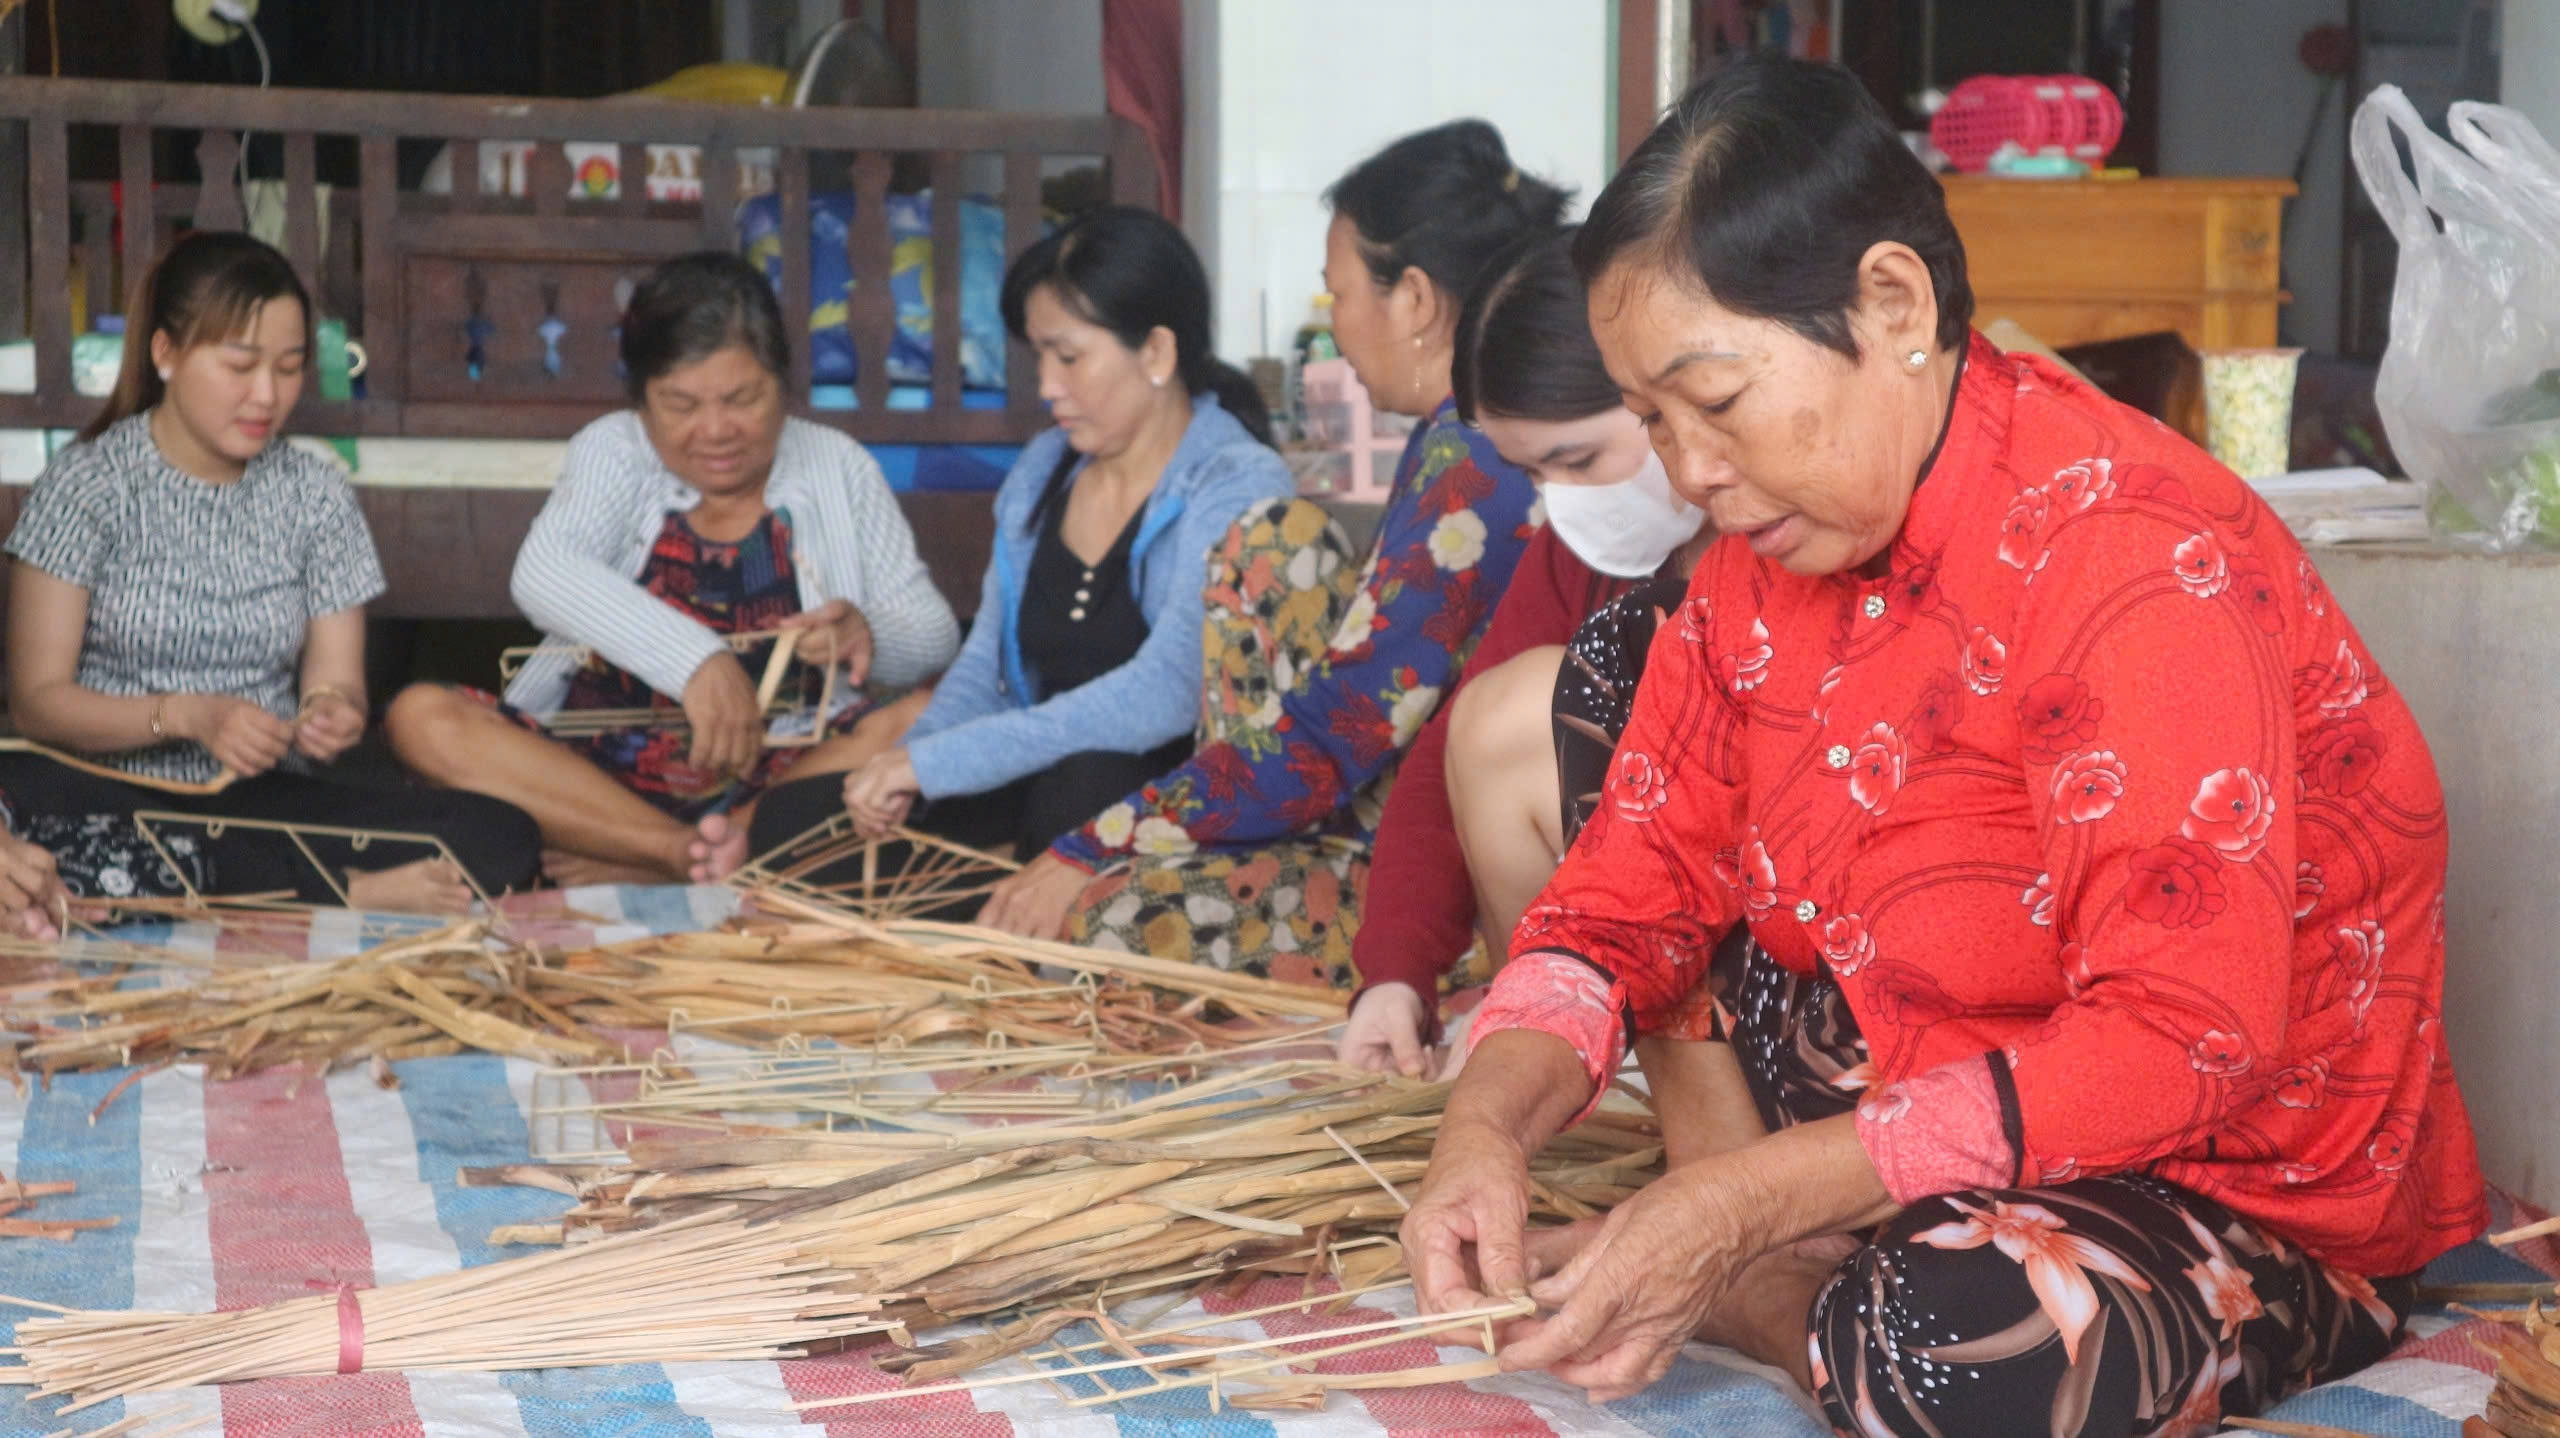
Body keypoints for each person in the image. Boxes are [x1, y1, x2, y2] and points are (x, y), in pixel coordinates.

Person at [1402, 56, 2486, 1437]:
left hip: (2221, 1176)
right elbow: (1620, 904)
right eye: (1657, 420)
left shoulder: (2129, 552)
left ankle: (1766, 1273)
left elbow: (2179, 1045)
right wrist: (1482, 1132)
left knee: (1939, 1343)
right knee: (1620, 662)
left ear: (1893, 305)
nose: (1687, 472)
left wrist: (1737, 1204)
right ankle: (1769, 1241)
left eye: (1716, 403)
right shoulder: (1757, 569)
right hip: (1925, 1083)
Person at [942, 121, 1563, 982]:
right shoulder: (1447, 438)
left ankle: (1442, 967)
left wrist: (1098, 842)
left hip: (1431, 871)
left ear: (1414, 299)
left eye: (1337, 293)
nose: (1337, 327)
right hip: (1359, 817)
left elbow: (1332, 728)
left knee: (1097, 922)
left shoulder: (1474, 454)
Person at [0, 231, 541, 912]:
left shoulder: (315, 493)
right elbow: (39, 704)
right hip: (101, 789)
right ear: (165, 353)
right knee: (30, 815)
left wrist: (330, 713)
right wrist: (188, 716)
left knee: (499, 835)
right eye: (241, 364)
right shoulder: (88, 486)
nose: (267, 394)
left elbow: (337, 681)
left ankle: (257, 889)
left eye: (288, 368)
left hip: (257, 802)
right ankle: (329, 892)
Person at [747, 206, 1295, 873]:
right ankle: (996, 912)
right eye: (1039, 356)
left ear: (1155, 351)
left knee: (1086, 788)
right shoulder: (1043, 469)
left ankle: (1011, 915)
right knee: (791, 825)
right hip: (1040, 774)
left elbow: (1169, 690)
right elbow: (985, 673)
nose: (1046, 386)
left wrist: (941, 763)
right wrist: (905, 766)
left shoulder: (1234, 481)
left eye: (1069, 357)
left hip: (1164, 801)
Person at [384, 252, 960, 886]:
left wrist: (867, 637)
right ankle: (677, 853)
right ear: (642, 401)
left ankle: (680, 852)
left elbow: (935, 635)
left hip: (779, 783)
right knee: (421, 718)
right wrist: (699, 663)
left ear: (783, 384)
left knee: (937, 713)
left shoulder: (835, 463)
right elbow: (544, 572)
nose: (715, 431)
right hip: (595, 776)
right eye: (681, 404)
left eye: (742, 398)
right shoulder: (614, 448)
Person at [1338, 227, 1723, 1076]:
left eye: (1578, 459)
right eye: (1536, 476)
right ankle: (1580, 1049)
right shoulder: (1582, 551)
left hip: (1784, 947)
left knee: (1525, 711)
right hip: (1637, 951)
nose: (1565, 504)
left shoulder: (1780, 525)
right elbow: (1453, 749)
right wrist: (1395, 973)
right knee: (1504, 711)